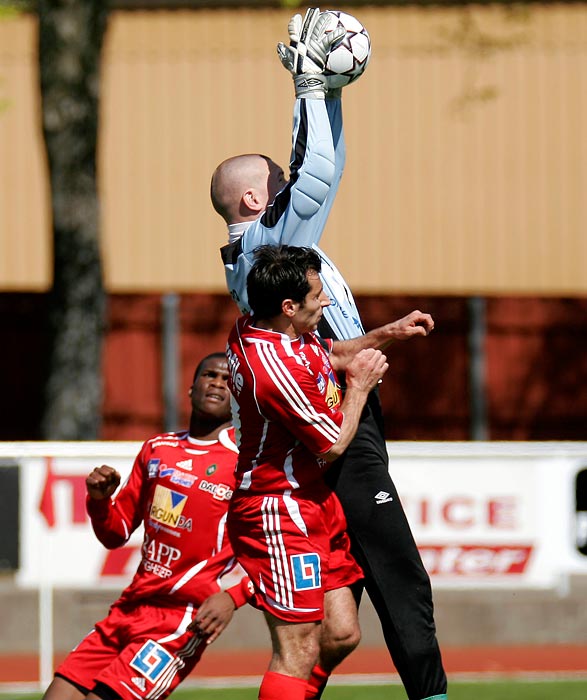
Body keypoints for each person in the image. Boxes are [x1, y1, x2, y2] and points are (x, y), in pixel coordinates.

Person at [214, 8, 448, 700]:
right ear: (257, 199)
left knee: (338, 629)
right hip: (331, 430)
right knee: (396, 569)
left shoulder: (267, 250)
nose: (292, 191)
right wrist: (312, 91)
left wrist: (326, 95)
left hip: (334, 416)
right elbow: (317, 174)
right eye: (277, 186)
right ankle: (432, 696)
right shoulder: (267, 248)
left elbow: (321, 168)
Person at [226, 244, 389, 700]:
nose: (327, 302)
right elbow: (334, 444)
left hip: (311, 502)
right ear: (288, 307)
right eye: (318, 295)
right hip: (276, 510)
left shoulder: (262, 328)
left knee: (340, 634)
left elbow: (331, 355)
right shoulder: (275, 370)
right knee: (297, 649)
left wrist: (387, 333)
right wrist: (358, 388)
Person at [42, 353, 252, 700]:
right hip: (128, 609)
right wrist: (98, 501)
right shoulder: (158, 449)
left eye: (228, 380)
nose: (217, 383)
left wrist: (233, 597)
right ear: (190, 388)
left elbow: (272, 548)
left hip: (181, 619)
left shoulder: (244, 466)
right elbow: (114, 533)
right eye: (209, 375)